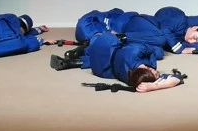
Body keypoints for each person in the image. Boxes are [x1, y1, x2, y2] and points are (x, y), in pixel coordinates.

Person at [50, 31, 182, 93]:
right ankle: (77, 60)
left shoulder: (136, 55)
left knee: (101, 40)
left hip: (103, 49)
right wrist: (154, 86)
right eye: (156, 74)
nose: (157, 72)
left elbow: (143, 49)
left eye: (154, 73)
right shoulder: (132, 79)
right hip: (100, 68)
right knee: (157, 50)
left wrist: (153, 84)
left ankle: (80, 51)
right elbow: (176, 78)